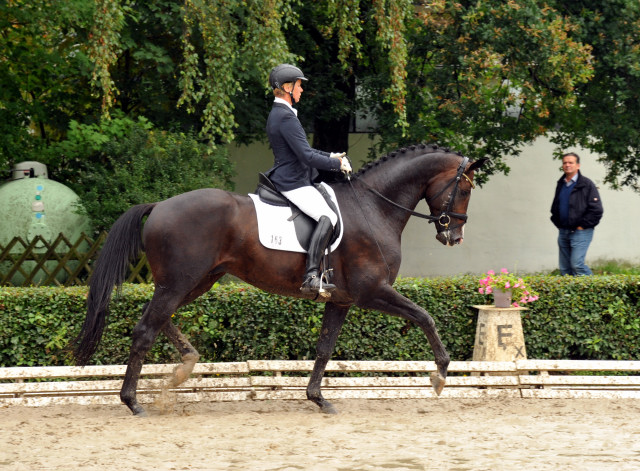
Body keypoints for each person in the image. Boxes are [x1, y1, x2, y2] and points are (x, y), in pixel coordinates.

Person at [265, 64, 352, 295]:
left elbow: (303, 150)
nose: (302, 90)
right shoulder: (285, 117)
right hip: (293, 181)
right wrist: (337, 164)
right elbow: (305, 156)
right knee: (329, 216)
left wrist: (331, 156)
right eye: (299, 85)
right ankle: (312, 275)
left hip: (292, 176)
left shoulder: (282, 114)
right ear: (287, 87)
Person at [550, 152, 603, 276]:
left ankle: (595, 291)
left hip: (581, 231)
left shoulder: (586, 184)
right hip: (563, 231)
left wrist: (582, 226)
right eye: (565, 163)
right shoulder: (561, 183)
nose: (567, 165)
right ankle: (570, 295)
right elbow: (556, 206)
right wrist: (558, 222)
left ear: (578, 165)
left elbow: (597, 210)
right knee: (565, 269)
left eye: (571, 162)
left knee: (577, 265)